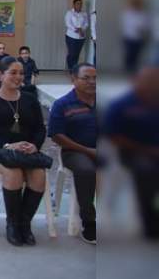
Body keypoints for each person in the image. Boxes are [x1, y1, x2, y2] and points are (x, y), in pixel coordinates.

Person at [0, 56, 47, 247]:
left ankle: (24, 224)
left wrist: (34, 145)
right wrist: (8, 145)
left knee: (39, 175)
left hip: (26, 151)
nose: (18, 77)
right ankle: (12, 224)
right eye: (13, 73)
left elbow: (40, 128)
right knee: (13, 174)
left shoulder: (30, 99)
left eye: (21, 73)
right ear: (0, 75)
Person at [104, 64, 159, 239]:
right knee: (147, 172)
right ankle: (151, 225)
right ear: (136, 81)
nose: (152, 85)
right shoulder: (122, 105)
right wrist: (147, 149)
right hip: (133, 152)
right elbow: (112, 136)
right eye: (148, 81)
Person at [48, 63, 97, 244]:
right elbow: (56, 135)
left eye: (95, 78)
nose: (92, 82)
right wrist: (89, 151)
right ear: (74, 79)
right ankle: (89, 222)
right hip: (75, 151)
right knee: (86, 170)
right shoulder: (62, 104)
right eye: (86, 78)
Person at [122, 0, 150, 74]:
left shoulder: (143, 14)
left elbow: (146, 25)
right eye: (136, 4)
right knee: (129, 55)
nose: (138, 6)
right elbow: (127, 25)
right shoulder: (128, 13)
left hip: (139, 38)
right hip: (129, 37)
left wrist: (142, 29)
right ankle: (127, 71)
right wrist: (138, 27)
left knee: (136, 55)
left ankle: (133, 71)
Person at [65, 0, 89, 72]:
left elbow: (86, 23)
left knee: (77, 54)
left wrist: (82, 29)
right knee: (71, 53)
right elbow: (68, 23)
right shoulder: (69, 13)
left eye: (81, 4)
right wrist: (77, 29)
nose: (79, 5)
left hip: (81, 37)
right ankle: (71, 68)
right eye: (78, 3)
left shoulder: (84, 13)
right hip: (71, 36)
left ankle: (74, 69)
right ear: (74, 4)